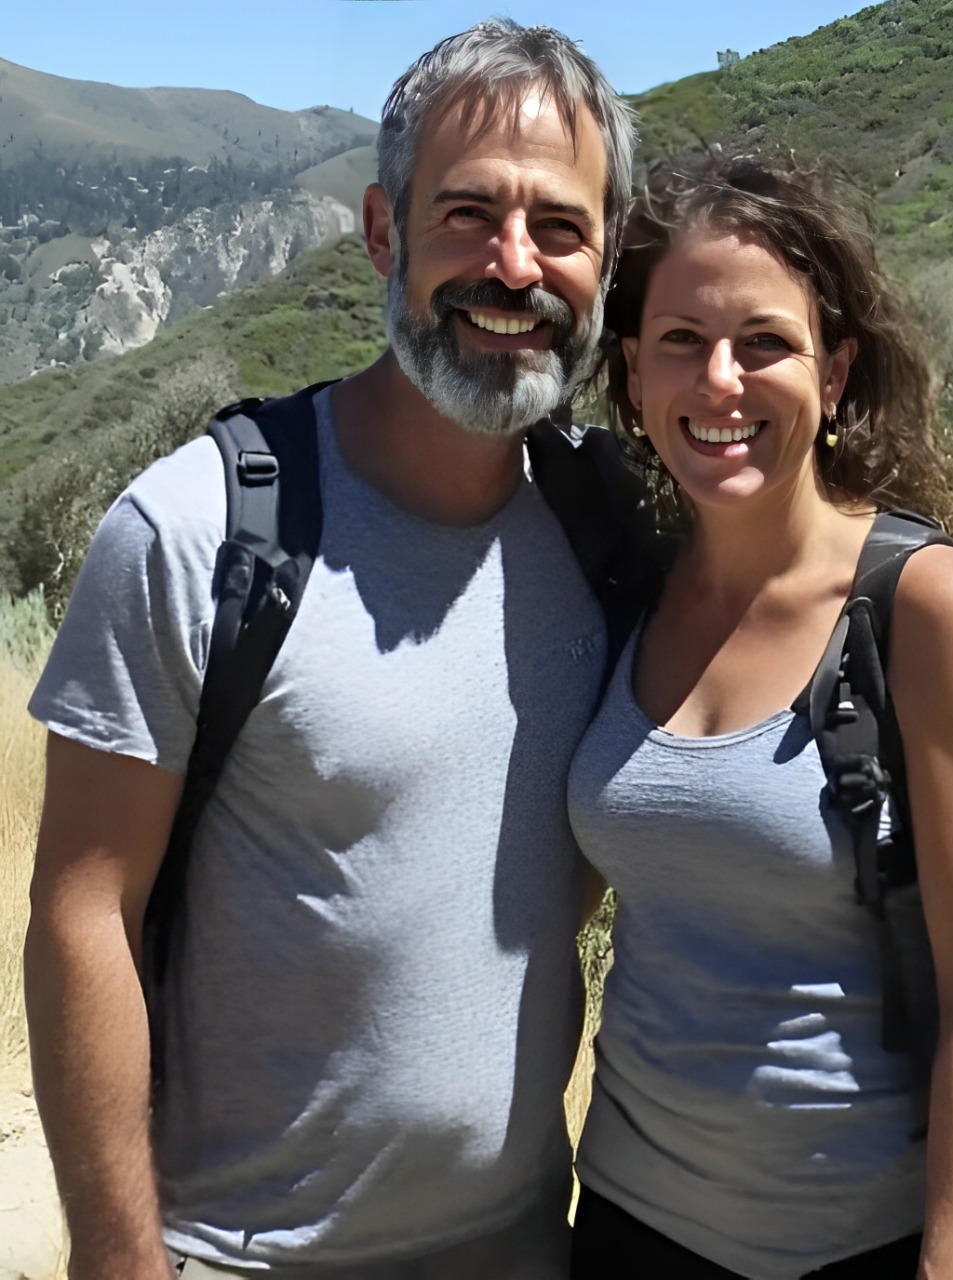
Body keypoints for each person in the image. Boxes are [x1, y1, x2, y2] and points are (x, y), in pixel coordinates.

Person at [23, 20, 635, 1280]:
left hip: (526, 1241)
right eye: (466, 214)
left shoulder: (610, 531)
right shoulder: (196, 532)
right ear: (380, 232)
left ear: (607, 256)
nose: (513, 265)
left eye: (558, 227)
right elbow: (83, 911)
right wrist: (118, 1256)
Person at [566, 158, 953, 1280]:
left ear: (833, 372)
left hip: (848, 1245)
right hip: (622, 1225)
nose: (718, 380)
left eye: (764, 343)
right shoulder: (628, 587)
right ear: (631, 371)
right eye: (680, 339)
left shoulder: (928, 607)